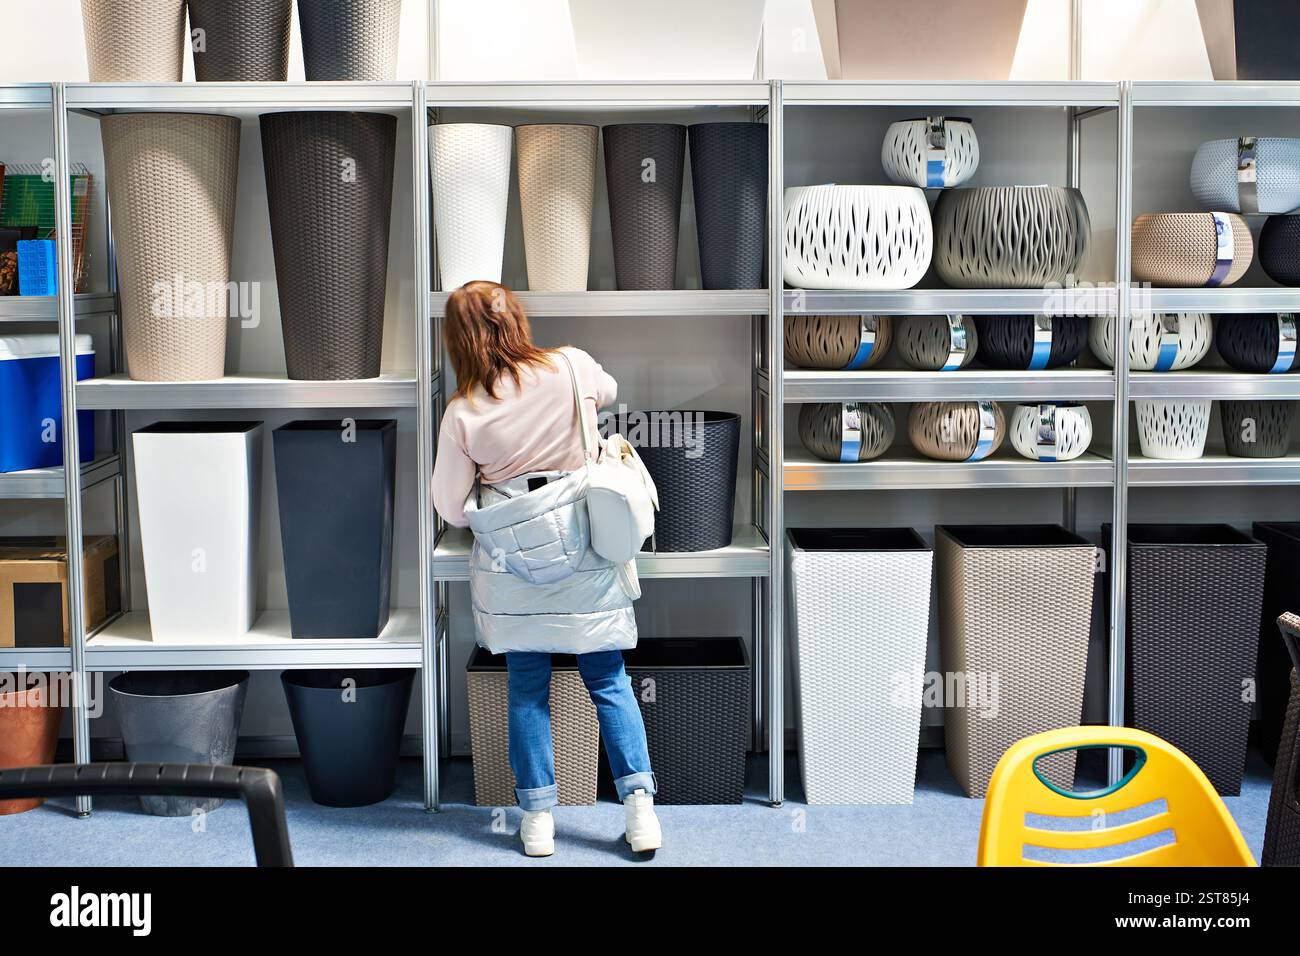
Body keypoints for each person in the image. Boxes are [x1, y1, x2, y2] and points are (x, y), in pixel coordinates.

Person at [432, 280, 661, 857]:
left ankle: (537, 821)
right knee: (609, 683)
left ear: (459, 341)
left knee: (526, 691)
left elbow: (449, 508)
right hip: (587, 550)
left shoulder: (462, 414)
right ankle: (640, 814)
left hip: (514, 570)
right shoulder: (571, 366)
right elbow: (610, 391)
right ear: (517, 321)